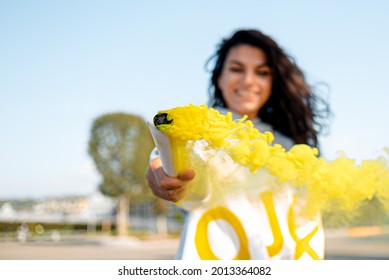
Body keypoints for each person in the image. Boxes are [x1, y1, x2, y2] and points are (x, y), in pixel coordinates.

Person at [146, 29, 331, 259]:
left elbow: (306, 227)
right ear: (219, 78)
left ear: (273, 82)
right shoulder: (198, 137)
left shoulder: (292, 147)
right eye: (236, 69)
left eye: (262, 72)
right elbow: (181, 173)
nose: (249, 81)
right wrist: (168, 173)